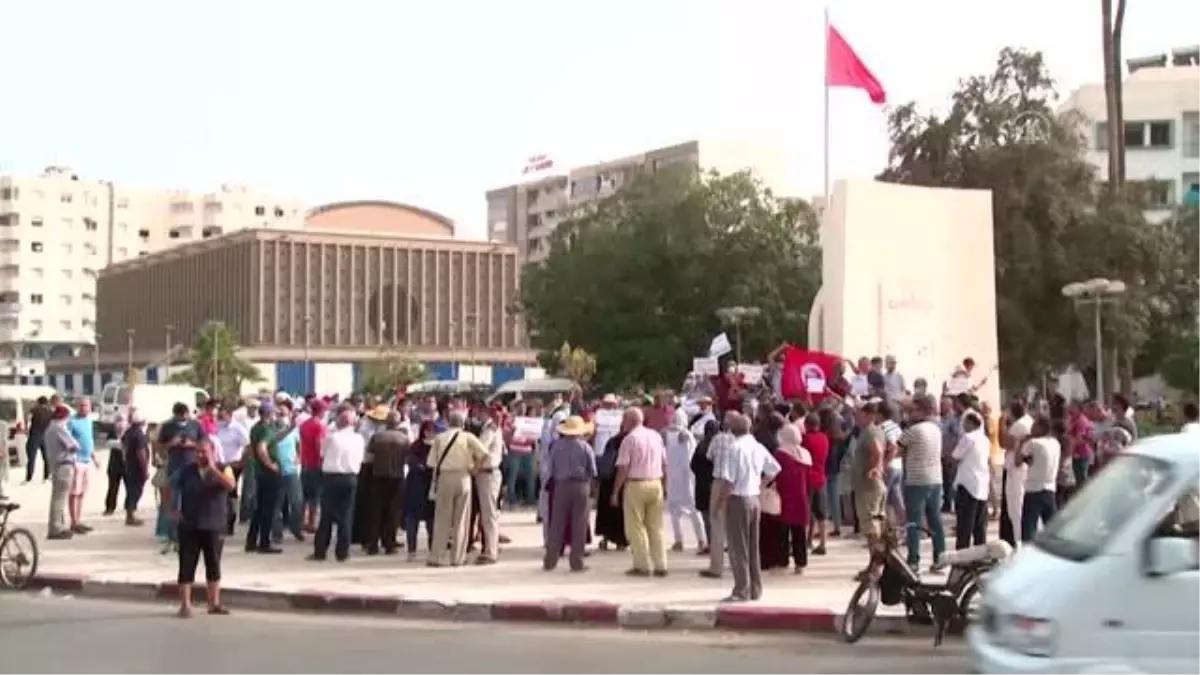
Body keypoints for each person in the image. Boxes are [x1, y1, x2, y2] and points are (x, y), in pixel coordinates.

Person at [713, 412, 780, 602]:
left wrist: (719, 503)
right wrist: (760, 485)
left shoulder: (735, 448)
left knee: (738, 547)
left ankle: (741, 589)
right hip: (753, 499)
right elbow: (774, 469)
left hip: (738, 499)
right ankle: (755, 588)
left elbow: (728, 481)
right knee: (753, 547)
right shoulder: (757, 447)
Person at [167, 436, 236, 618]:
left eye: (203, 452)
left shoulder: (223, 468)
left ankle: (213, 603)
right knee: (186, 564)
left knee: (213, 564)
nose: (199, 455)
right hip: (190, 524)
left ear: (212, 452)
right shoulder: (186, 471)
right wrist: (173, 508)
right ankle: (185, 605)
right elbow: (167, 485)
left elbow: (230, 486)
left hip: (214, 524)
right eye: (196, 452)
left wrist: (213, 469)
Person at [426, 410, 490, 567]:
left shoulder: (440, 438)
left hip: (445, 478)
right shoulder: (468, 437)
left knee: (442, 518)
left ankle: (437, 556)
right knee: (461, 519)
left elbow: (431, 463)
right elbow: (485, 453)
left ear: (449, 423)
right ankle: (458, 558)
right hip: (464, 477)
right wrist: (475, 469)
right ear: (462, 424)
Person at [612, 407, 669, 577]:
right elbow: (665, 463)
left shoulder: (630, 439)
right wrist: (665, 485)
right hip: (655, 482)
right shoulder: (655, 436)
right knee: (656, 526)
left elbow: (623, 468)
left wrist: (615, 491)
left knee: (636, 527)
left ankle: (642, 565)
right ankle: (661, 564)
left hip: (636, 484)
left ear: (629, 421)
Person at [898, 394, 947, 572]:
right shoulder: (936, 429)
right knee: (935, 520)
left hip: (916, 480)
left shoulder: (913, 431)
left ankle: (913, 559)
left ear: (921, 411)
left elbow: (898, 450)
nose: (909, 414)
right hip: (935, 479)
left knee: (914, 522)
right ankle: (940, 557)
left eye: (912, 410)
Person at [542, 416, 598, 572]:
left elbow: (550, 468)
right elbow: (592, 470)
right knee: (579, 524)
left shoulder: (556, 447)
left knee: (556, 523)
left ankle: (550, 560)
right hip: (580, 485)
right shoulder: (585, 447)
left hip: (561, 485)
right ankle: (576, 561)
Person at [311, 408, 367, 562]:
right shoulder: (359, 439)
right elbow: (360, 458)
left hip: (332, 476)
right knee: (346, 516)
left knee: (327, 516)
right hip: (350, 477)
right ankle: (343, 552)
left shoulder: (332, 437)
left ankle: (320, 551)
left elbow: (322, 454)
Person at [361, 411, 408, 556]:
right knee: (393, 512)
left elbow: (369, 456)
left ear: (386, 423)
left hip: (379, 476)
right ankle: (390, 544)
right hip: (397, 477)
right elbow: (407, 458)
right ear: (398, 423)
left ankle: (373, 544)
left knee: (376, 512)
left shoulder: (377, 437)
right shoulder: (404, 439)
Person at [772, 424, 812, 574]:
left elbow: (775, 474)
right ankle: (800, 563)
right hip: (801, 496)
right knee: (799, 531)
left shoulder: (781, 454)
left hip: (785, 495)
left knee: (783, 531)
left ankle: (783, 561)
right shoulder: (805, 454)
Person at [664, 409, 706, 553]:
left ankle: (692, 540)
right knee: (684, 509)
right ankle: (688, 540)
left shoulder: (676, 435)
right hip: (680, 477)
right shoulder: (679, 435)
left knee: (684, 509)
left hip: (680, 477)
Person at [951, 410, 990, 549]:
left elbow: (955, 456)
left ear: (972, 423)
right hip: (981, 485)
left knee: (964, 527)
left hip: (967, 484)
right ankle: (980, 558)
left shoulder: (968, 438)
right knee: (979, 527)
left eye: (966, 422)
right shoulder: (985, 440)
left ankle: (961, 560)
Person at [1020, 416, 1061, 542]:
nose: (1031, 428)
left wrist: (1022, 442)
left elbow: (1017, 460)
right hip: (1050, 489)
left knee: (1029, 529)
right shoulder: (1055, 443)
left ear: (1041, 428)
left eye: (1034, 426)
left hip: (1034, 489)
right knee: (1051, 529)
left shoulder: (1033, 443)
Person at [403, 421, 437, 561]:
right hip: (415, 486)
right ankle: (411, 550)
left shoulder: (438, 446)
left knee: (431, 521)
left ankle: (432, 549)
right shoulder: (416, 446)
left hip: (431, 486)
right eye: (427, 430)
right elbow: (410, 460)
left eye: (432, 430)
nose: (430, 433)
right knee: (412, 520)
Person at [44, 405, 79, 540]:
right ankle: (56, 528)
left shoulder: (50, 429)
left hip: (56, 465)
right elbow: (74, 445)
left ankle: (59, 525)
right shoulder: (59, 428)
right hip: (63, 465)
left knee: (58, 497)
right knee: (59, 498)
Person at [67, 399, 99, 534]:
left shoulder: (89, 421)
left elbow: (89, 440)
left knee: (82, 492)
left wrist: (94, 457)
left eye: (86, 405)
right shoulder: (72, 421)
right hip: (76, 460)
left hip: (86, 461)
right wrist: (72, 458)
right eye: (81, 406)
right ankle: (73, 522)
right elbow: (67, 440)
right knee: (74, 492)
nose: (84, 408)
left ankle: (79, 520)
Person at [298, 399, 329, 533]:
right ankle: (311, 522)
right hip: (315, 464)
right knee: (315, 495)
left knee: (304, 495)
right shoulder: (320, 426)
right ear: (321, 411)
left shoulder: (304, 424)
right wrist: (323, 460)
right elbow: (319, 444)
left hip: (305, 462)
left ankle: (300, 521)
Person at [689, 420, 719, 555]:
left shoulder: (701, 446)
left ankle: (711, 543)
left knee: (707, 518)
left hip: (702, 485)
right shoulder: (719, 447)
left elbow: (693, 465)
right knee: (718, 517)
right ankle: (718, 543)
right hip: (716, 484)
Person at [802, 413, 830, 555]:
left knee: (806, 511)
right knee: (821, 512)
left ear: (807, 425)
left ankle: (805, 540)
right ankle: (823, 542)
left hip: (808, 477)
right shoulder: (824, 438)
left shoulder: (806, 439)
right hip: (821, 476)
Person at [120, 412, 150, 526]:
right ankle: (131, 516)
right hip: (137, 468)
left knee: (130, 491)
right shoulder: (139, 435)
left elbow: (123, 448)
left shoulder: (128, 433)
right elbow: (141, 453)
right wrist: (145, 469)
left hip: (129, 465)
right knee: (135, 491)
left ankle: (130, 515)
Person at [24, 396, 53, 483]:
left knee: (31, 458)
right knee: (47, 457)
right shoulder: (50, 411)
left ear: (38, 402)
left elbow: (27, 418)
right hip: (46, 436)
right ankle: (46, 477)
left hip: (35, 435)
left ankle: (29, 478)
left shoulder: (34, 409)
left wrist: (26, 427)